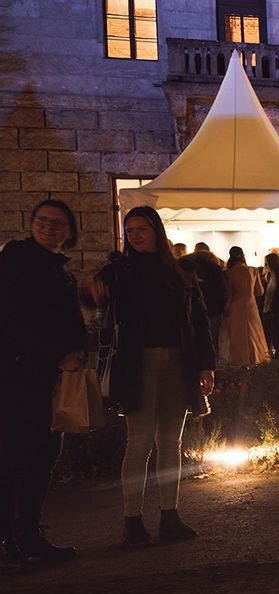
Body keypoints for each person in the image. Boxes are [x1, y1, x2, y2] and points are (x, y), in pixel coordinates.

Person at [88, 206, 215, 546]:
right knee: (140, 441)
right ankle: (133, 522)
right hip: (137, 363)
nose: (136, 235)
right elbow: (91, 298)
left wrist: (206, 364)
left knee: (171, 441)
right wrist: (91, 295)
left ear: (156, 230)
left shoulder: (180, 272)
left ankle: (170, 516)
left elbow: (199, 320)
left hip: (178, 362)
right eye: (130, 230)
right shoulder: (120, 271)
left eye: (142, 228)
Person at [0, 199, 86, 569]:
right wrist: (56, 355)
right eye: (42, 220)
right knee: (15, 458)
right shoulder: (17, 259)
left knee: (41, 455)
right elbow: (12, 319)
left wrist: (79, 349)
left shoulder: (59, 271)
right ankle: (9, 541)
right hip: (18, 376)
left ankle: (29, 535)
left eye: (57, 223)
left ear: (69, 231)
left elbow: (66, 320)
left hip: (49, 377)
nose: (48, 227)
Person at [179, 242, 227, 364]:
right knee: (212, 338)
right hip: (212, 308)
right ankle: (212, 363)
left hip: (192, 307)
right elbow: (221, 290)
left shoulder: (187, 268)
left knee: (194, 336)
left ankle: (195, 362)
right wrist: (222, 307)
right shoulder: (215, 269)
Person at [223, 246, 269, 366]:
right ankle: (256, 359)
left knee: (238, 335)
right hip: (251, 306)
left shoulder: (228, 273)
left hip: (236, 306)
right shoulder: (253, 270)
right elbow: (260, 291)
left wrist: (226, 308)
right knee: (254, 333)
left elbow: (229, 293)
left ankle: (240, 361)